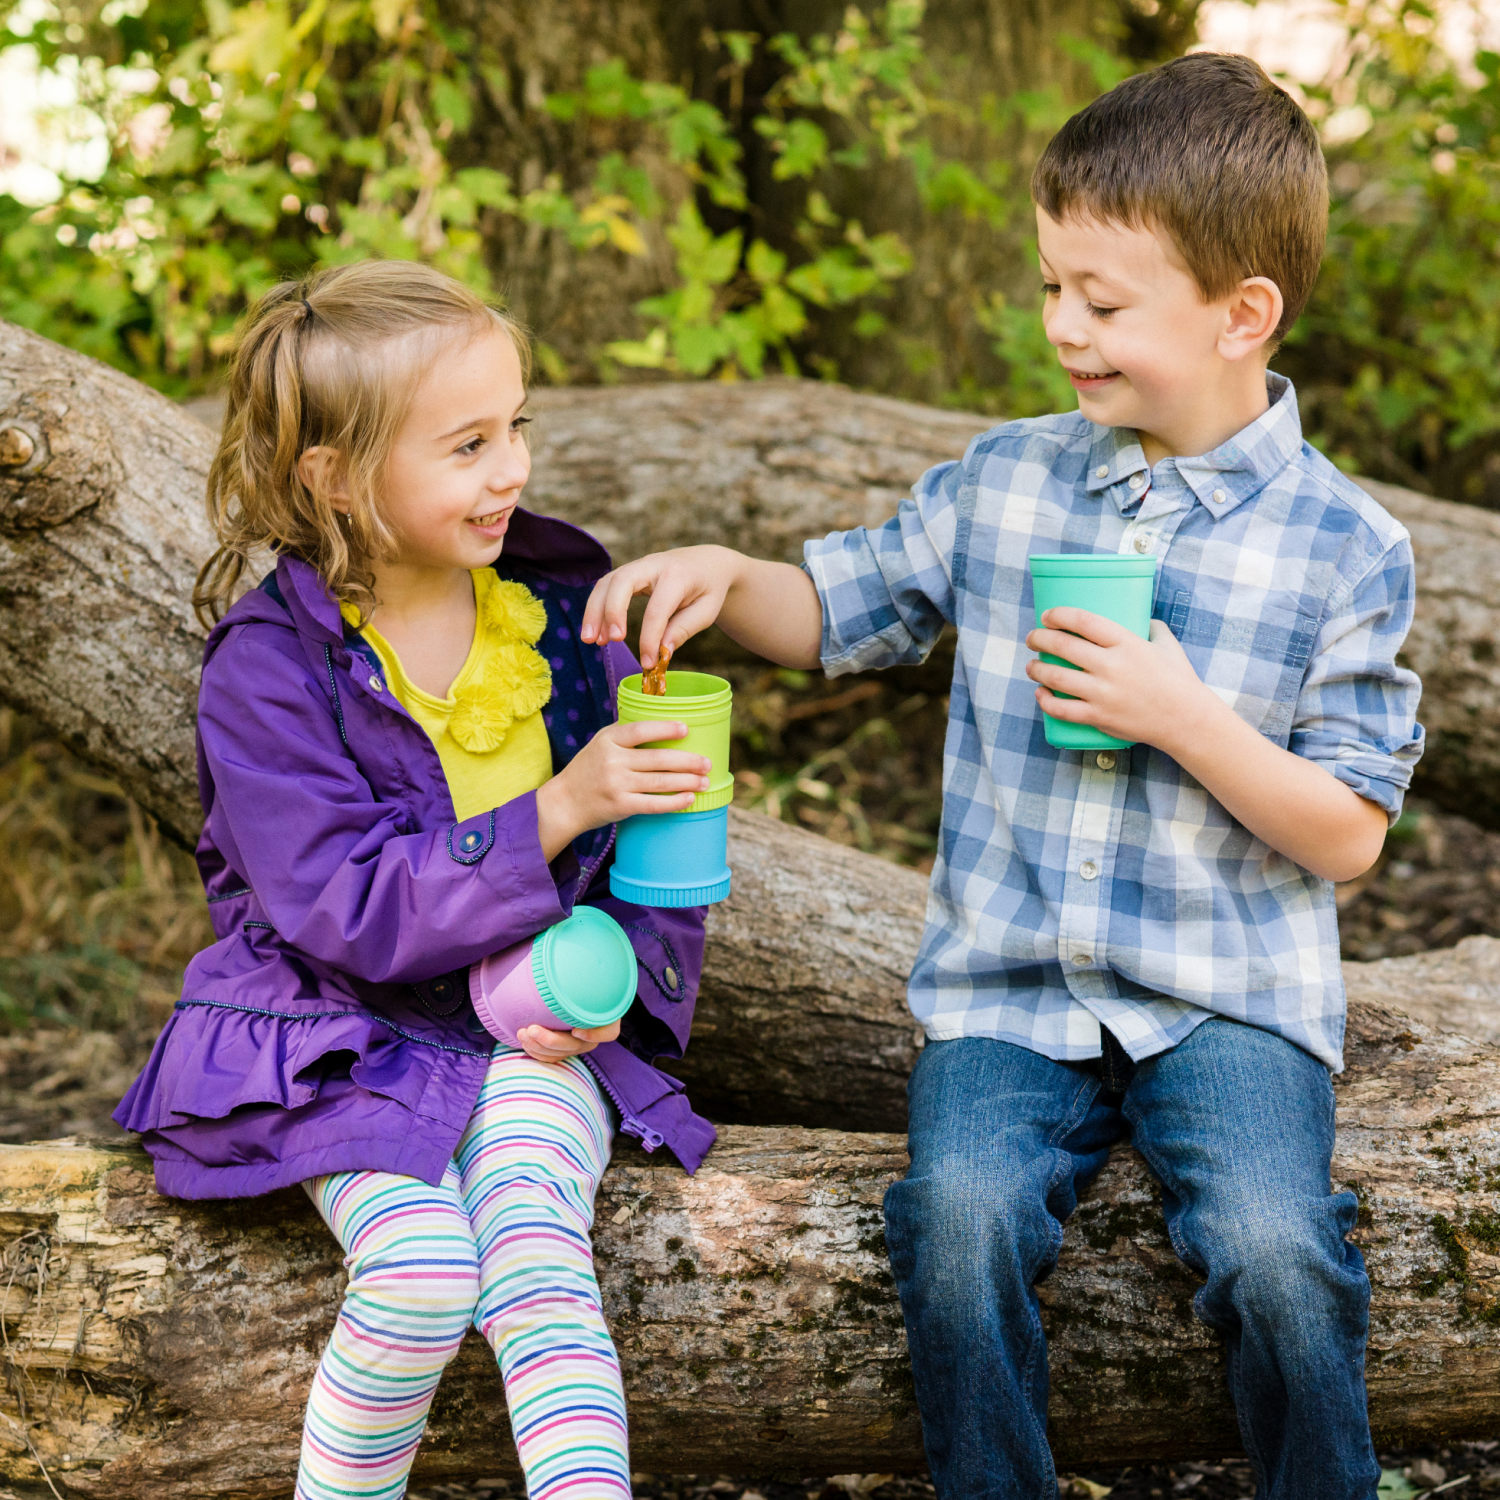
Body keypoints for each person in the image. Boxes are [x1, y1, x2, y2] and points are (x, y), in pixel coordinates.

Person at [579, 53, 1423, 1500]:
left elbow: (1346, 833)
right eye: (1051, 289)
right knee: (955, 1220)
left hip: (1228, 992)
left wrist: (1185, 716)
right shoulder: (1008, 482)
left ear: (1243, 315)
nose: (1063, 330)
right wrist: (734, 579)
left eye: (1103, 301)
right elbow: (844, 612)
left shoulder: (1348, 548)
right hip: (1009, 991)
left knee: (1281, 1251)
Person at [113, 258, 718, 1500]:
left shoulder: (558, 608)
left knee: (543, 1256)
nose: (512, 471)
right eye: (467, 445)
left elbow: (655, 862)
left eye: (517, 430)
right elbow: (341, 904)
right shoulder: (270, 670)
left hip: (532, 1034)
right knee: (423, 1272)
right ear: (333, 477)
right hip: (336, 1033)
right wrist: (558, 805)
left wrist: (618, 989)